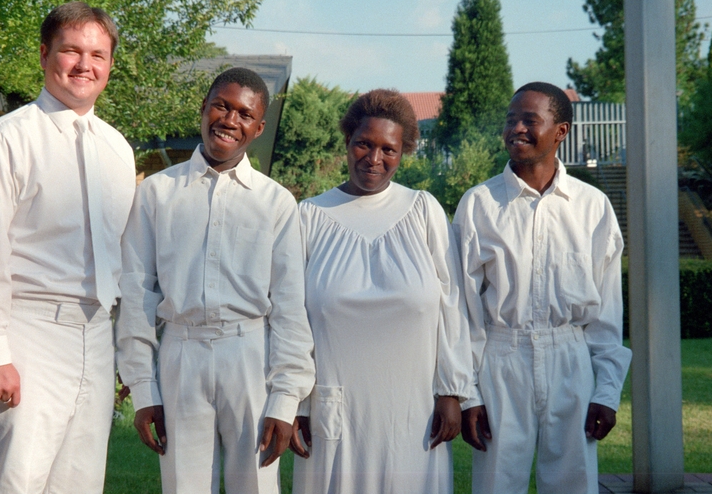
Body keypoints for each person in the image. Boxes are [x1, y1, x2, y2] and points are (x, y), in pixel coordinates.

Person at [0, 2, 135, 492]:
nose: (85, 65)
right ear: (43, 54)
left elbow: (123, 257)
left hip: (95, 336)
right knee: (12, 479)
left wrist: (122, 348)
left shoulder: (118, 149)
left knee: (78, 482)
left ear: (110, 66)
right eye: (71, 51)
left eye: (98, 54)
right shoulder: (6, 140)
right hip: (28, 332)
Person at [115, 67, 316, 494]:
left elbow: (289, 304)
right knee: (183, 485)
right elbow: (137, 292)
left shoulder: (275, 202)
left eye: (245, 114)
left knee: (255, 485)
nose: (229, 120)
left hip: (249, 356)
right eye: (221, 106)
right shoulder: (154, 194)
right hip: (181, 354)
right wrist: (143, 388)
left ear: (258, 128)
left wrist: (285, 397)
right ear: (203, 109)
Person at [291, 89, 475, 494]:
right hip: (334, 409)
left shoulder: (423, 210)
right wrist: (297, 403)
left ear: (404, 151)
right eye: (364, 144)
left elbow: (451, 304)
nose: (374, 159)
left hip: (413, 410)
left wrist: (451, 390)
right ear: (347, 142)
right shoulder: (310, 216)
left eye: (388, 149)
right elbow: (293, 319)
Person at [454, 82, 632, 494]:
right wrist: (467, 394)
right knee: (497, 484)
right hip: (501, 360)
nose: (516, 128)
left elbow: (606, 311)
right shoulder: (479, 204)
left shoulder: (591, 207)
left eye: (530, 120)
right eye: (511, 119)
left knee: (574, 484)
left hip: (571, 361)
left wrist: (606, 390)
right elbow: (461, 308)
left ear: (561, 131)